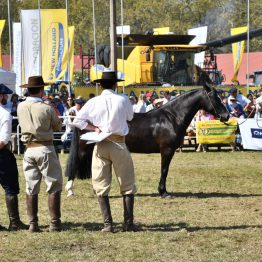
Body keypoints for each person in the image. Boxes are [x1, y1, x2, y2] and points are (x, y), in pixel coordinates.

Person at [73, 71, 137, 233]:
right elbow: (130, 117)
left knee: (101, 184)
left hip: (100, 143)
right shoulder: (123, 99)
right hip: (119, 143)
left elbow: (77, 121)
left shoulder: (93, 101)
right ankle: (128, 223)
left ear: (100, 85)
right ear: (116, 84)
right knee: (127, 184)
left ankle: (108, 224)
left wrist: (93, 127)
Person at [17, 76, 63, 232]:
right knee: (54, 184)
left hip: (28, 149)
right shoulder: (46, 108)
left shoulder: (20, 107)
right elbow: (58, 126)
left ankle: (33, 223)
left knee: (31, 187)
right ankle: (55, 223)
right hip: (45, 147)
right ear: (42, 90)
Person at [0, 83, 28, 231]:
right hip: (2, 155)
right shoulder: (4, 114)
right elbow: (3, 140)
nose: (6, 98)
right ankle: (15, 222)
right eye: (4, 95)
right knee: (10, 188)